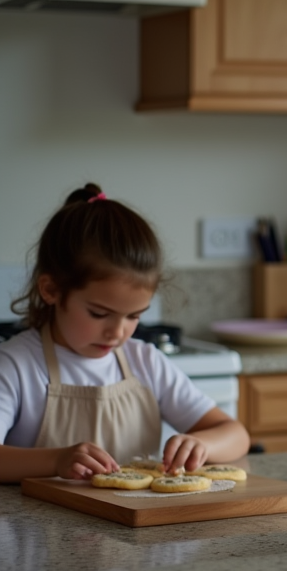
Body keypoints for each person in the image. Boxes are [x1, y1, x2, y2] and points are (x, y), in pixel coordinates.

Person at [0, 184, 249, 483]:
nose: (118, 332)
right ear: (51, 290)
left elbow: (236, 434)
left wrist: (202, 444)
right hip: (42, 529)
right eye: (99, 314)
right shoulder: (16, 366)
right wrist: (56, 459)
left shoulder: (145, 362)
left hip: (134, 528)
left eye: (134, 316)